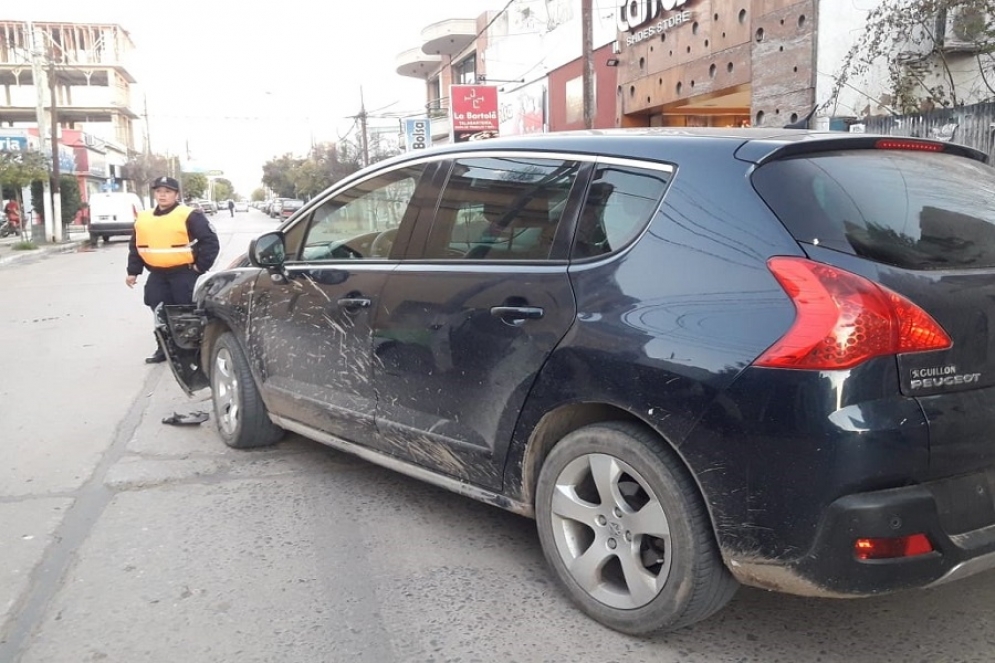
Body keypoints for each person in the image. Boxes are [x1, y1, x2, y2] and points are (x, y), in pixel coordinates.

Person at [126, 176, 220, 364]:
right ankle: (164, 348)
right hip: (158, 274)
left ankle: (192, 352)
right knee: (159, 310)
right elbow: (136, 246)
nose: (162, 195)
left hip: (184, 274)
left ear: (176, 194)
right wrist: (133, 272)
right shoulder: (144, 218)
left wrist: (200, 267)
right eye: (159, 191)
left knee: (185, 311)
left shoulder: (190, 215)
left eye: (167, 192)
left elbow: (210, 242)